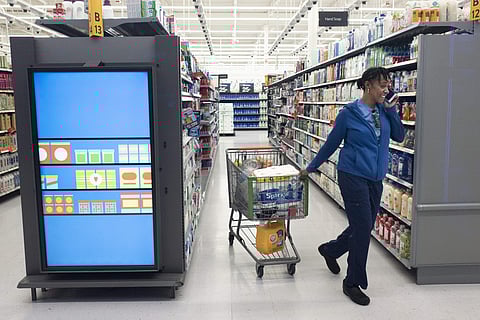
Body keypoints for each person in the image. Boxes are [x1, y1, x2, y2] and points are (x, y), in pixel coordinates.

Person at [300, 67, 405, 306]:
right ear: (367, 84)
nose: (385, 89)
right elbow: (331, 144)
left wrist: (392, 111)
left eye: (387, 84)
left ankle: (331, 250)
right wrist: (311, 167)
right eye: (381, 84)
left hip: (375, 178)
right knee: (362, 231)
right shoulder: (349, 114)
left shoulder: (384, 111)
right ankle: (352, 282)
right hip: (352, 175)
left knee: (363, 226)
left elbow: (398, 136)